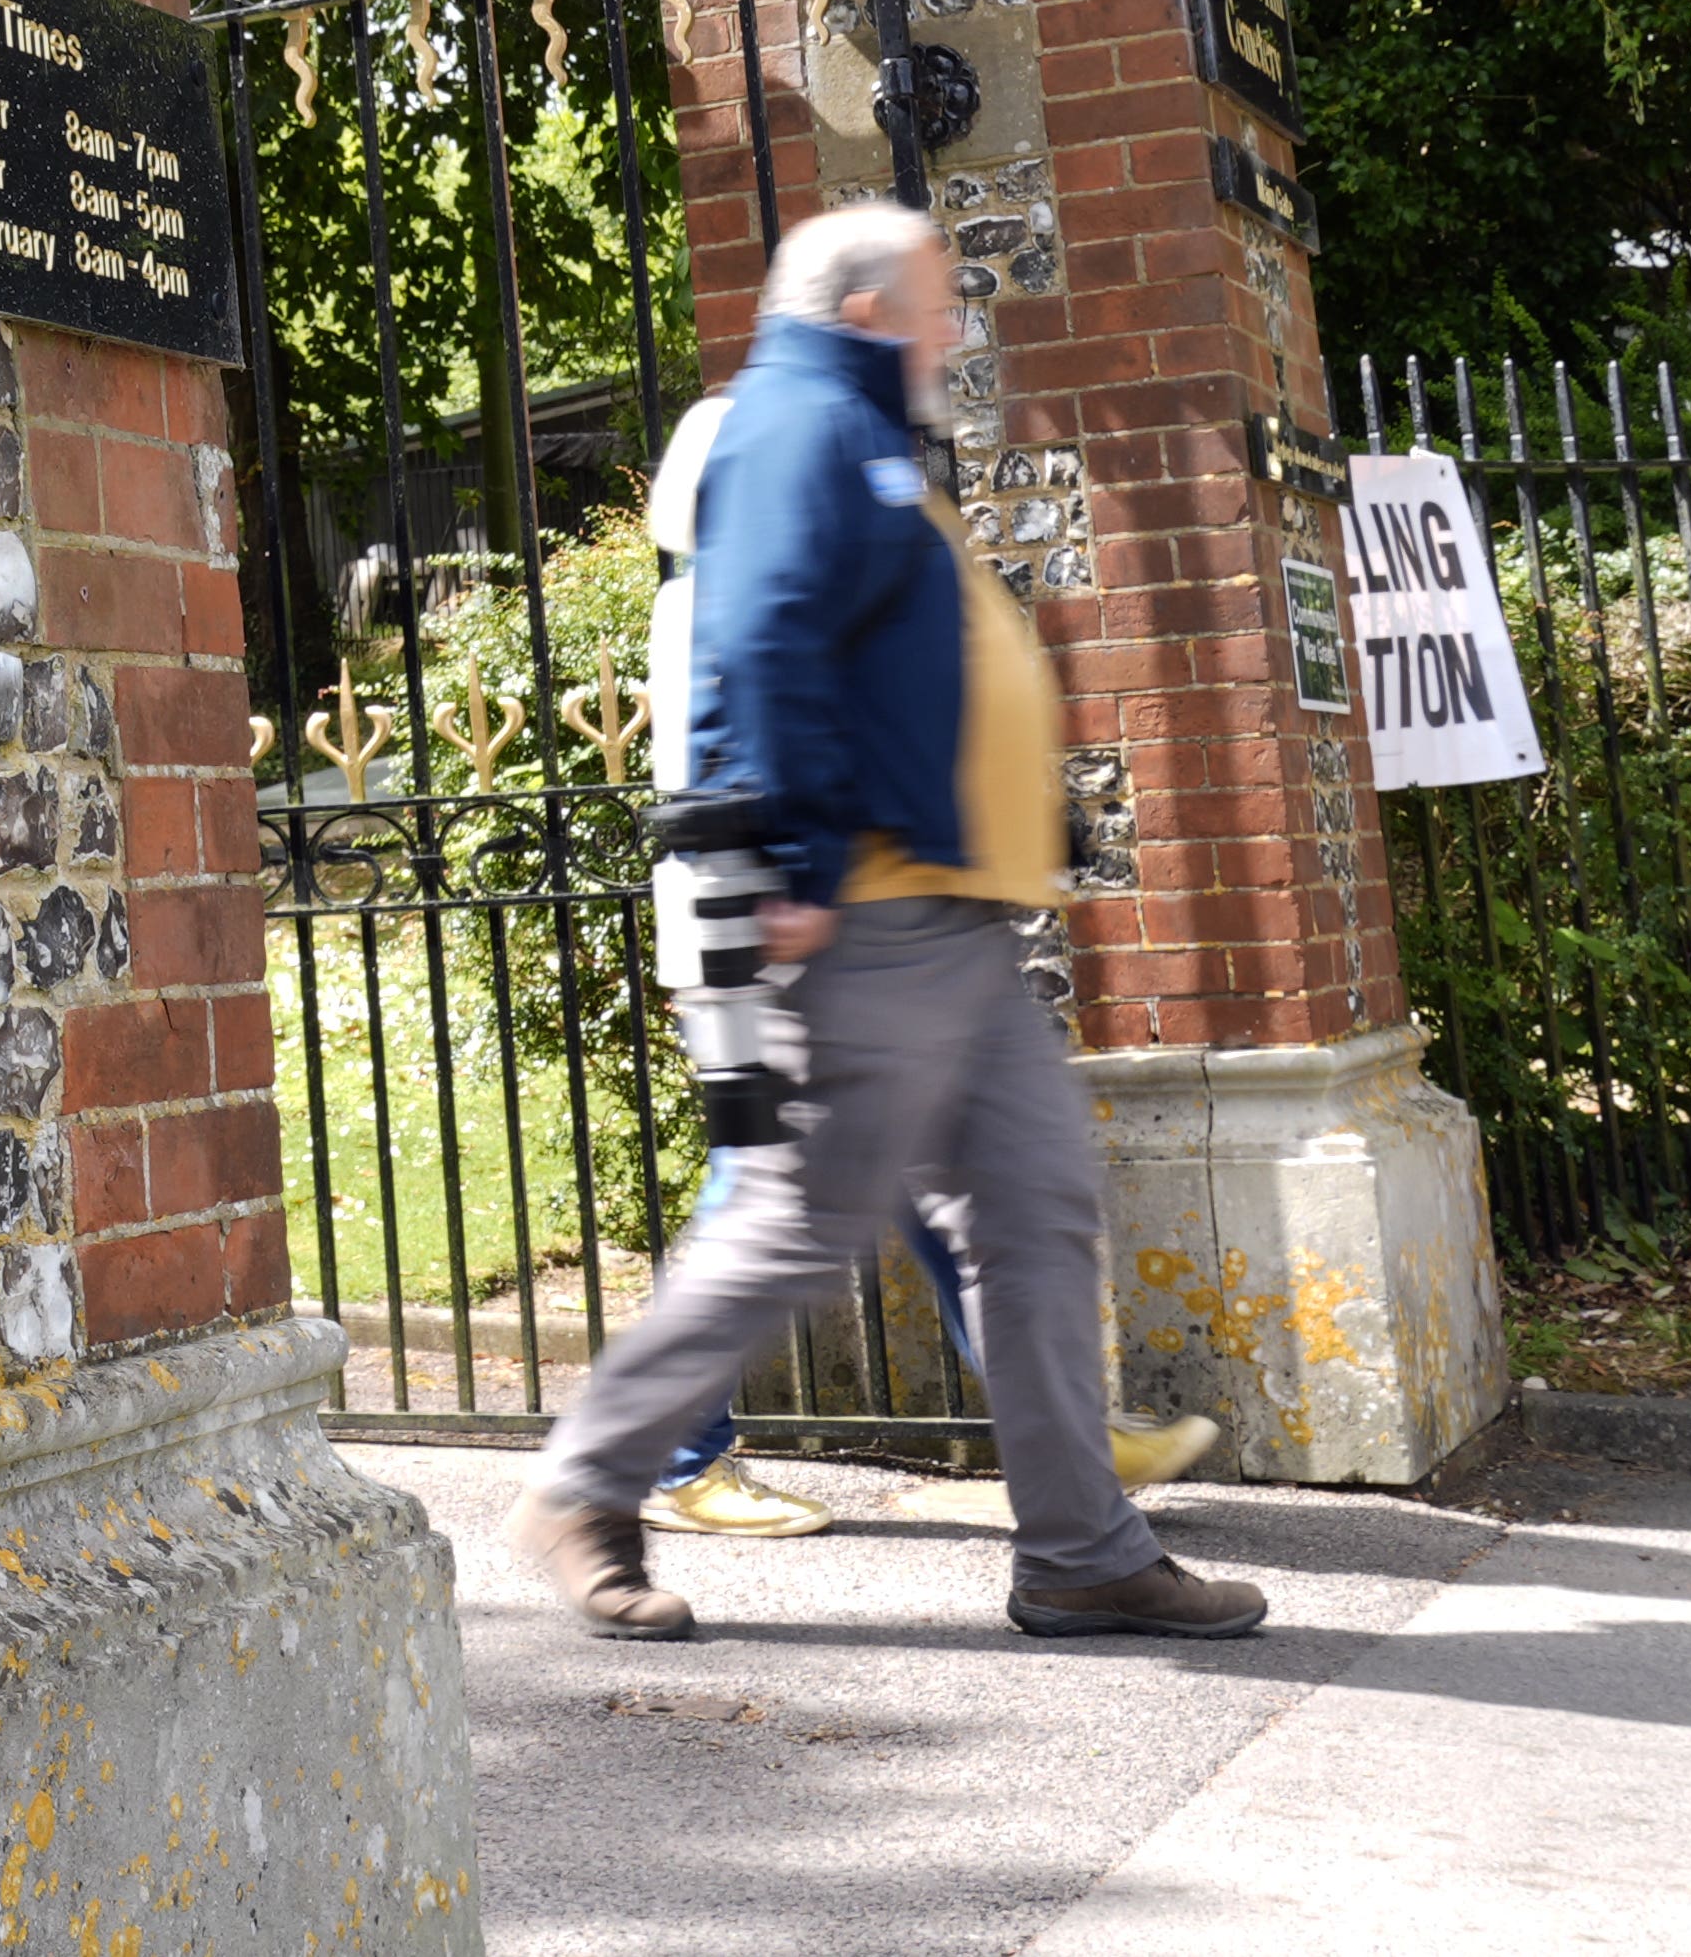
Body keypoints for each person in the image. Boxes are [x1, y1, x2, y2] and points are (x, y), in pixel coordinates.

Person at [504, 204, 1266, 1641]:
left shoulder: (862, 440)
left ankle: (1083, 1552)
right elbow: (764, 638)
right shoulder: (797, 424)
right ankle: (585, 1484)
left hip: (957, 919)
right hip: (869, 907)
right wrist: (790, 865)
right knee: (800, 1218)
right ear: (862, 310)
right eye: (939, 304)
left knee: (1036, 1216)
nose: (960, 330)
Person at [618, 386, 1221, 1542]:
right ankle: (667, 1460)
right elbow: (748, 778)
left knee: (951, 1200)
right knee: (760, 1192)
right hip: (772, 946)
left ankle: (1069, 1427)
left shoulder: (756, 583)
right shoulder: (718, 598)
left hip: (838, 940)